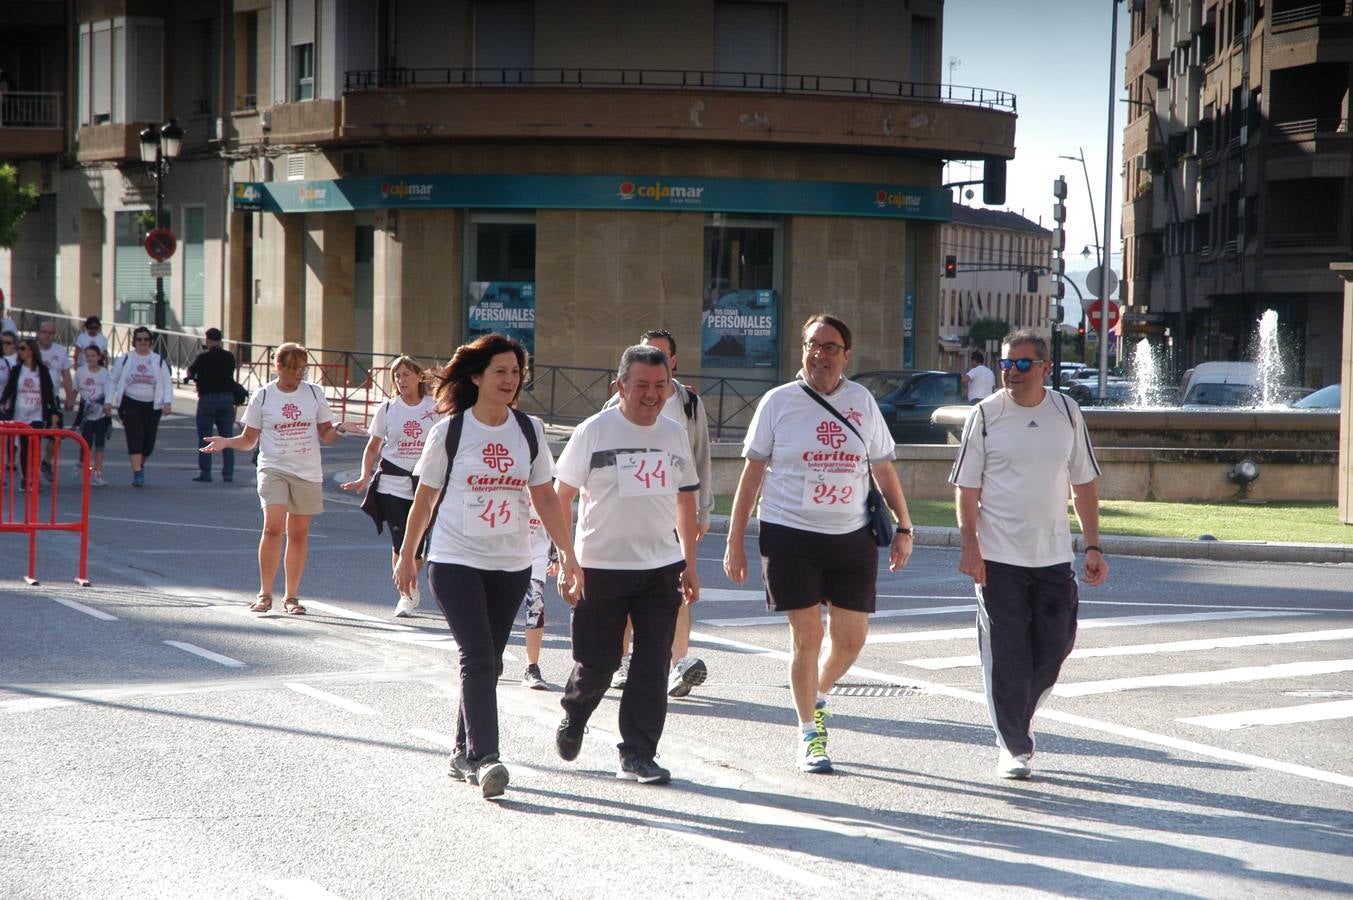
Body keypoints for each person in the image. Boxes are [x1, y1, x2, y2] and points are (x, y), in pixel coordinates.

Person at [724, 313, 914, 774]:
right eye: (812, 344)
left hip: (851, 535)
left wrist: (904, 527)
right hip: (789, 532)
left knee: (850, 640)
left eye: (830, 347)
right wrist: (735, 539)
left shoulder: (862, 402)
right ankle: (811, 734)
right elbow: (751, 474)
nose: (819, 354)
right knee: (807, 636)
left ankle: (817, 692)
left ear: (846, 355)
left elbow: (882, 467)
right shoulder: (778, 402)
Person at [394, 334, 581, 800]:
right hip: (456, 560)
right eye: (500, 371)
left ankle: (462, 750)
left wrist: (568, 554)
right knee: (477, 656)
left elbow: (544, 495)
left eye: (516, 372)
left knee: (489, 661)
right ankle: (487, 757)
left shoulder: (529, 430)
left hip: (511, 563)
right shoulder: (450, 432)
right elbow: (426, 498)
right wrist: (408, 555)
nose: (510, 380)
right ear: (476, 377)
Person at [949, 329, 1108, 780]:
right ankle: (1013, 745)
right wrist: (970, 546)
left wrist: (1093, 545)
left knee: (1054, 648)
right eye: (1005, 364)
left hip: (1054, 556)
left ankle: (1017, 718)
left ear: (1044, 368)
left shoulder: (1066, 411)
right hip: (998, 557)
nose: (1011, 372)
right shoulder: (984, 415)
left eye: (1022, 364)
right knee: (1008, 653)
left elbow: (1084, 484)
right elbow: (967, 487)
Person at [553, 344, 701, 786]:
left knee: (652, 664)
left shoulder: (674, 434)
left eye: (661, 386)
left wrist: (689, 563)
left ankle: (637, 753)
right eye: (642, 386)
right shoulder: (593, 431)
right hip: (601, 566)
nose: (652, 395)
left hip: (661, 568)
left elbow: (686, 497)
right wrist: (567, 560)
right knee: (598, 662)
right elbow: (561, 496)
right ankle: (576, 712)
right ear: (620, 386)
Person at [202, 343, 356, 615]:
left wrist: (339, 429)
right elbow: (250, 440)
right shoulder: (263, 396)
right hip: (273, 467)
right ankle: (264, 594)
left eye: (302, 368)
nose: (299, 373)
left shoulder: (313, 393)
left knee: (298, 533)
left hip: (307, 470)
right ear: (279, 367)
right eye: (294, 368)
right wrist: (225, 442)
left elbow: (326, 434)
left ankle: (292, 597)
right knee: (273, 527)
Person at [601, 329, 714, 698]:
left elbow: (701, 459)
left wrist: (703, 509)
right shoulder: (612, 408)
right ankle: (622, 658)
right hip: (630, 517)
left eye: (660, 356)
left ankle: (678, 663)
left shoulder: (689, 405)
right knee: (632, 593)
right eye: (646, 354)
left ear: (673, 364)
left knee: (678, 588)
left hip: (674, 514)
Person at [341, 356, 439, 617]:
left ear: (419, 377)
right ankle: (405, 596)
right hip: (392, 484)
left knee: (417, 546)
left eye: (406, 374)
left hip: (425, 484)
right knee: (399, 543)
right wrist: (364, 476)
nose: (401, 380)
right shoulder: (388, 409)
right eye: (397, 375)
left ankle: (410, 580)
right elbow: (373, 447)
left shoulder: (435, 407)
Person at [109, 326, 174, 486]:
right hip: (130, 402)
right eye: (139, 339)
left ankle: (140, 463)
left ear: (150, 342)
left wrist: (167, 402)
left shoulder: (158, 360)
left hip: (152, 405)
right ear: (134, 342)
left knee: (148, 443)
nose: (142, 342)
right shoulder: (125, 359)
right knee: (135, 436)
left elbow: (167, 383)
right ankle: (137, 472)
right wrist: (108, 401)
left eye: (146, 339)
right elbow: (113, 380)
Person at [0, 338, 62, 490]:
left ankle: (34, 477)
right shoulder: (16, 369)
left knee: (35, 446)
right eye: (19, 348)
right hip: (20, 413)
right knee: (23, 446)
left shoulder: (42, 370)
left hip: (37, 413)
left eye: (22, 348)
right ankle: (25, 478)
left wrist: (54, 411)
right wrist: (2, 402)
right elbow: (9, 388)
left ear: (31, 351)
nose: (19, 351)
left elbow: (49, 392)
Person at [186, 327, 240, 483]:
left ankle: (206, 473)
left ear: (208, 340)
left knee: (205, 437)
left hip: (208, 400)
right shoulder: (229, 357)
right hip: (226, 399)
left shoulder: (203, 358)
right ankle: (228, 473)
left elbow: (191, 372)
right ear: (221, 340)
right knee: (227, 437)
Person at [35, 321, 75, 481]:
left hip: (53, 398)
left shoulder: (60, 351)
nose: (47, 336)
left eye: (51, 333)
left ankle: (47, 462)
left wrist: (70, 396)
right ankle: (31, 467)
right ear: (38, 333)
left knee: (57, 434)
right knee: (33, 434)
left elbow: (66, 374)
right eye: (44, 332)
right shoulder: (31, 349)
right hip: (33, 398)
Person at [73, 345, 113, 486]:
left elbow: (109, 390)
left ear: (99, 357)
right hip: (86, 414)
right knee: (86, 445)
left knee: (100, 445)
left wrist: (108, 405)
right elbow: (75, 389)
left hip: (101, 413)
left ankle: (97, 473)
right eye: (88, 356)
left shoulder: (104, 373)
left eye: (93, 356)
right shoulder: (80, 372)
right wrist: (71, 402)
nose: (90, 359)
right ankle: (82, 465)